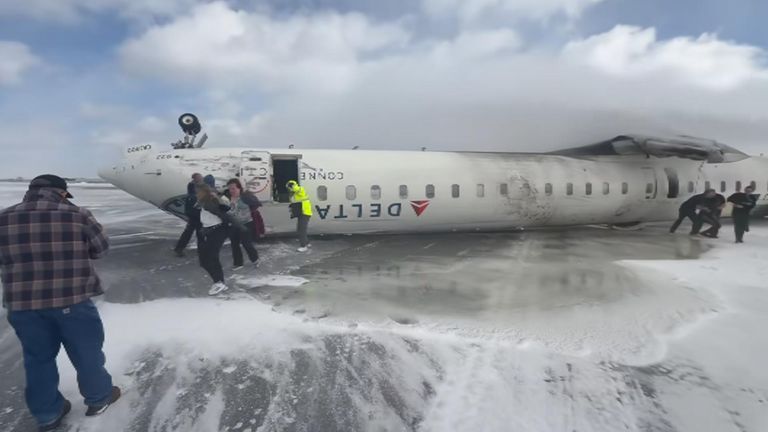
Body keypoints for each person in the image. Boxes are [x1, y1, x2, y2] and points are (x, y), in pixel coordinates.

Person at [0, 175, 121, 431]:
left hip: (23, 305)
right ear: (61, 193)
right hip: (72, 300)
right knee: (86, 353)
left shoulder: (3, 217)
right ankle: (98, 399)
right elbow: (101, 249)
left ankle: (47, 413)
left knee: (38, 359)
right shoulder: (78, 214)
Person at [196, 184, 246, 295]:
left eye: (198, 192)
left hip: (217, 231)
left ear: (203, 192)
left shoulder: (210, 202)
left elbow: (226, 215)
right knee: (204, 260)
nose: (196, 194)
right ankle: (219, 282)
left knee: (210, 257)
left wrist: (240, 227)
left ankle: (219, 282)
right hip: (210, 231)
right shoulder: (205, 201)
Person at [225, 179, 261, 269]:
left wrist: (252, 211)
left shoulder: (245, 196)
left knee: (247, 244)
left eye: (233, 188)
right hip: (233, 224)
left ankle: (255, 259)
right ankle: (238, 263)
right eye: (229, 189)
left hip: (246, 224)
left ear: (239, 188)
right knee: (234, 244)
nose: (231, 191)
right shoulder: (228, 198)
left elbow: (256, 204)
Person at [173, 173, 204, 257]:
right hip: (196, 215)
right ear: (196, 179)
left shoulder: (191, 187)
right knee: (199, 233)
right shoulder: (194, 190)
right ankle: (202, 251)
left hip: (192, 214)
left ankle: (179, 248)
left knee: (188, 233)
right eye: (200, 178)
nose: (202, 179)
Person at [287, 180, 313, 252]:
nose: (289, 189)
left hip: (305, 212)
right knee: (300, 229)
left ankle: (303, 246)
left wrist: (292, 185)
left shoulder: (300, 189)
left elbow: (296, 189)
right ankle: (307, 243)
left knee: (302, 229)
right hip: (302, 213)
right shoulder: (295, 194)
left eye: (289, 187)